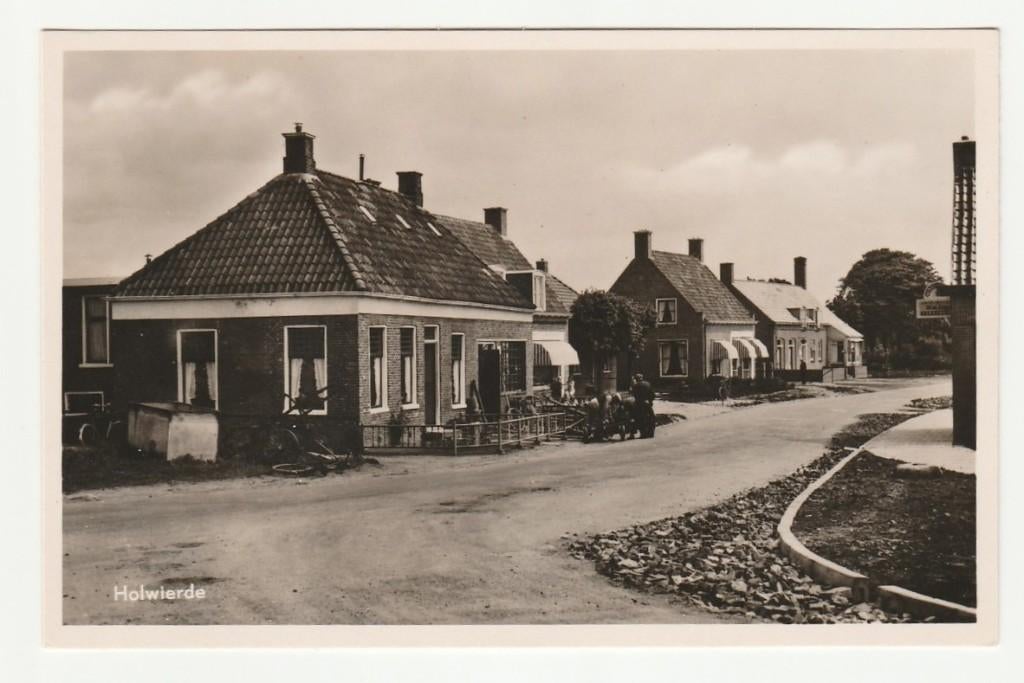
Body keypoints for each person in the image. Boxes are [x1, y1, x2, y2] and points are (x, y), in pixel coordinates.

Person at [630, 373, 655, 439]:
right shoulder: (648, 384)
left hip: (639, 404)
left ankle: (643, 433)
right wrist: (650, 401)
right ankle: (651, 433)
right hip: (647, 403)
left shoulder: (635, 386)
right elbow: (652, 394)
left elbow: (634, 395)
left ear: (636, 379)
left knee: (639, 418)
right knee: (651, 417)